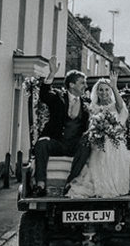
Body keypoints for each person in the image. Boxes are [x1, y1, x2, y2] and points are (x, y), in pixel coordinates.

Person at [66, 71, 130, 198]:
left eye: (106, 90)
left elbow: (120, 107)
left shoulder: (115, 105)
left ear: (111, 91)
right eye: (101, 90)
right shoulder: (93, 107)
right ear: (97, 92)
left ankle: (110, 184)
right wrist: (97, 131)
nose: (103, 93)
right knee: (98, 147)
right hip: (97, 141)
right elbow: (90, 125)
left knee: (108, 145)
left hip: (115, 141)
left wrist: (114, 86)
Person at [30, 56, 92, 197]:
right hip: (58, 143)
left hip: (75, 145)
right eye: (82, 83)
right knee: (42, 143)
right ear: (71, 85)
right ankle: (40, 184)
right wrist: (51, 73)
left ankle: (70, 182)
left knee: (87, 144)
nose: (85, 86)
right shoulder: (58, 97)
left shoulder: (87, 103)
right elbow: (44, 95)